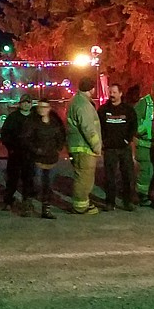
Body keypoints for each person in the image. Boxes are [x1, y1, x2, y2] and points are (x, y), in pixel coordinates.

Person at [65, 76, 103, 215]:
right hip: (84, 148)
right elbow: (88, 128)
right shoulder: (83, 105)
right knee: (84, 178)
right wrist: (96, 146)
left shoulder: (77, 101)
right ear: (92, 89)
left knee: (82, 176)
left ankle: (82, 203)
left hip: (79, 147)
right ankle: (81, 206)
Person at [22, 99, 65, 219]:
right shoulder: (32, 122)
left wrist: (58, 148)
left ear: (49, 108)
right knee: (36, 183)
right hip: (37, 159)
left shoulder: (54, 122)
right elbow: (26, 138)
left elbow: (60, 135)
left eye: (45, 107)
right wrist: (36, 150)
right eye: (40, 107)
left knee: (48, 185)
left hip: (51, 158)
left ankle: (46, 209)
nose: (42, 109)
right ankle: (28, 204)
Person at [97, 83, 137, 211]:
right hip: (110, 149)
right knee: (109, 176)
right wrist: (104, 141)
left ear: (120, 93)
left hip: (124, 148)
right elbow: (99, 127)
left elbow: (133, 126)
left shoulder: (128, 110)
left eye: (114, 92)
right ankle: (110, 202)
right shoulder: (103, 110)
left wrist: (127, 140)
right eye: (110, 92)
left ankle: (127, 202)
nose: (112, 95)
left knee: (127, 175)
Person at [1, 93, 36, 216]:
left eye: (28, 102)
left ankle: (27, 201)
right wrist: (11, 148)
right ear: (20, 104)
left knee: (28, 179)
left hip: (29, 154)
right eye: (24, 102)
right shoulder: (13, 118)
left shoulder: (34, 118)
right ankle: (8, 201)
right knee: (12, 178)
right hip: (15, 154)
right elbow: (5, 134)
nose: (26, 104)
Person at [134, 80, 154, 206]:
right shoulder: (144, 103)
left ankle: (152, 193)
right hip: (144, 143)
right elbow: (135, 123)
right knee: (146, 171)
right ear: (152, 90)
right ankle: (141, 195)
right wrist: (145, 129)